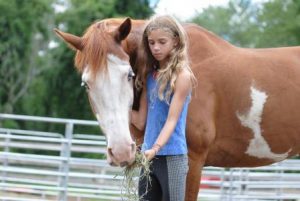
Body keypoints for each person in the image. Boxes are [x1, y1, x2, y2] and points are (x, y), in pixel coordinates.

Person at [131, 14, 196, 201]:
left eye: (162, 42)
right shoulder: (149, 76)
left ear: (175, 41)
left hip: (172, 156)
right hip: (148, 157)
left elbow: (172, 120)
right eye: (151, 43)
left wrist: (156, 148)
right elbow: (141, 121)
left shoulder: (182, 76)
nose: (156, 48)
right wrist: (114, 111)